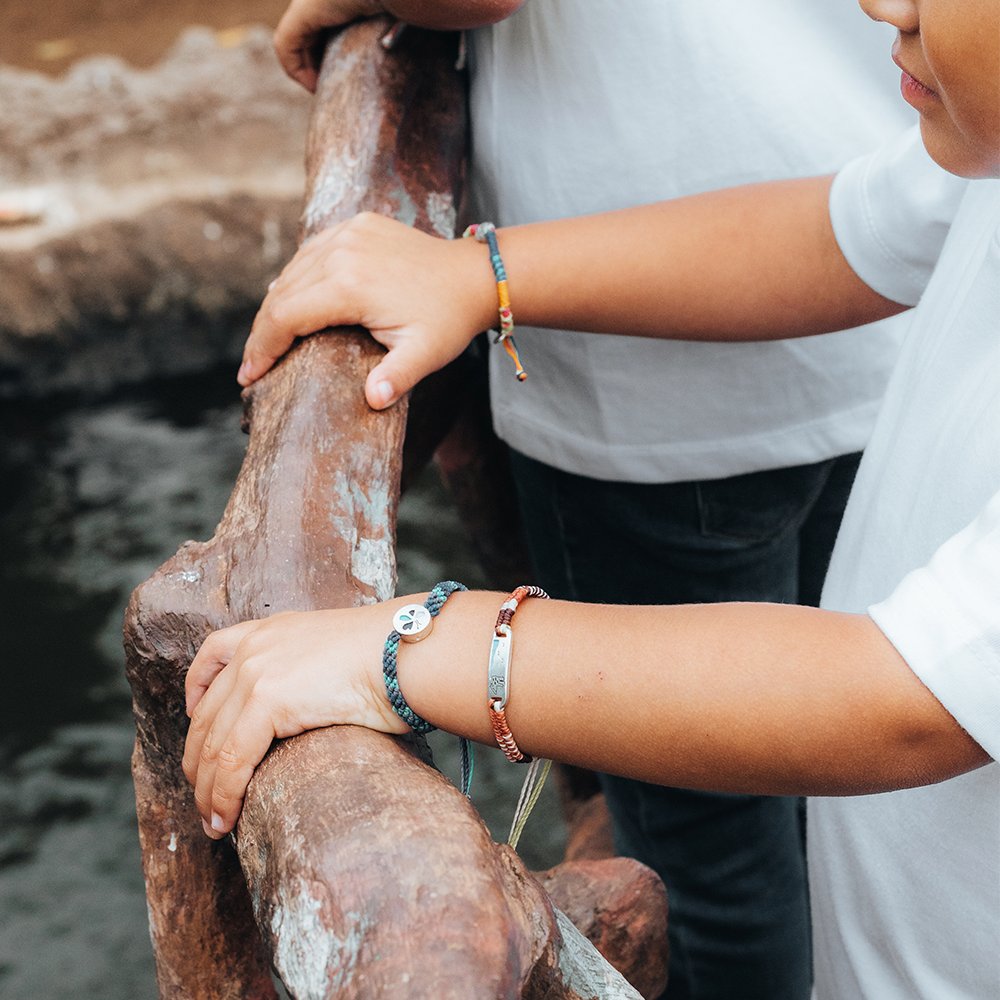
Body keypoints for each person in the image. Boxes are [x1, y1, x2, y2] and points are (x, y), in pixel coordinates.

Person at [257, 5, 915, 995]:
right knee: (857, 815)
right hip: (889, 298)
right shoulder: (924, 190)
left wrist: (403, 648)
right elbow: (871, 225)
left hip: (650, 355)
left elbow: (910, 698)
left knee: (716, 866)